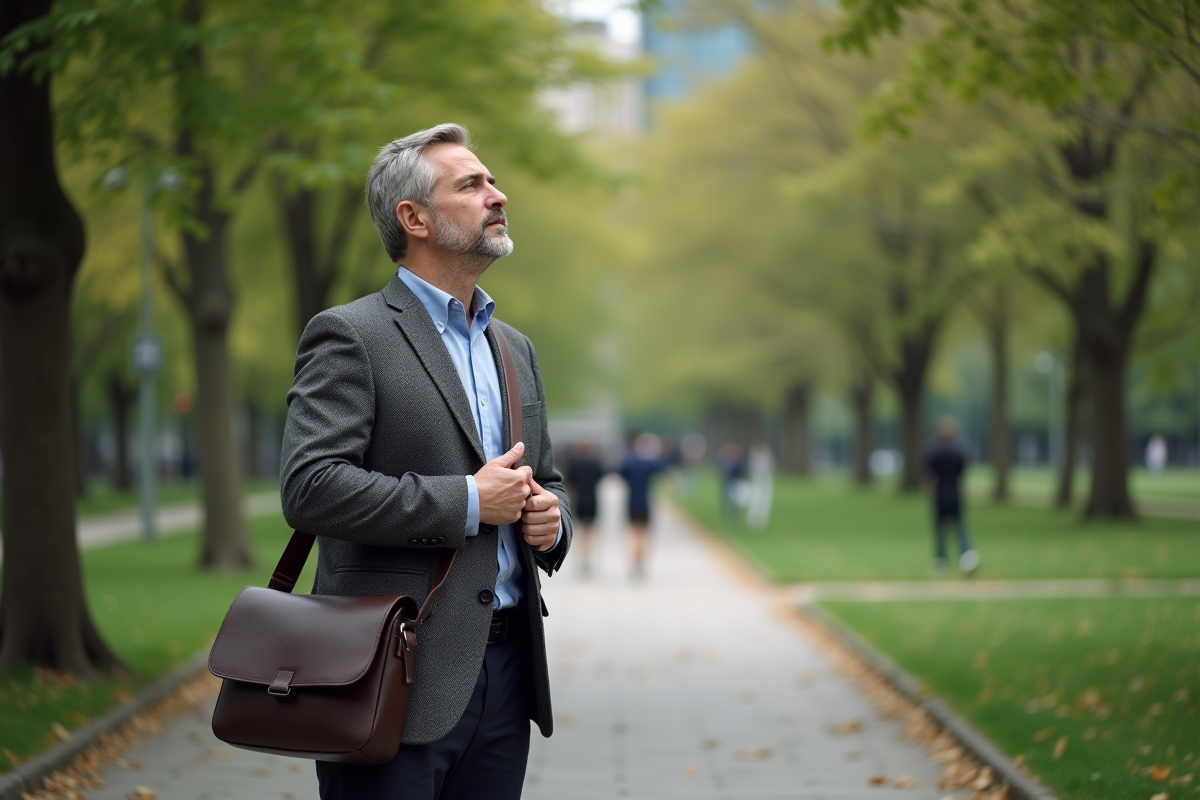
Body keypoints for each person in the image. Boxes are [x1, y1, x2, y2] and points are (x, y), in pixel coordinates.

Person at [280, 124, 571, 800]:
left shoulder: (515, 348)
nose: (497, 196)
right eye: (471, 185)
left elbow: (546, 480)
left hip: (507, 679)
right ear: (413, 217)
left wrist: (551, 522)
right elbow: (310, 486)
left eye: (492, 182)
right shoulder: (350, 335)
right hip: (389, 678)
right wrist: (467, 502)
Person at [925, 417, 980, 577]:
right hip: (953, 494)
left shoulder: (934, 451)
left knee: (945, 529)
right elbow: (962, 476)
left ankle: (942, 562)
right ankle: (962, 557)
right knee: (956, 527)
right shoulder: (958, 451)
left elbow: (929, 478)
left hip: (942, 495)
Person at [618, 432, 666, 579]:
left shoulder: (630, 461)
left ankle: (634, 562)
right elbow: (663, 471)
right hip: (645, 502)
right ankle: (641, 563)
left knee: (633, 533)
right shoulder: (650, 462)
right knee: (644, 535)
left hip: (631, 501)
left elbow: (621, 475)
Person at [564, 440, 604, 576]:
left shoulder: (574, 464)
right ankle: (588, 556)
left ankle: (581, 557)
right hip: (592, 500)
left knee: (580, 531)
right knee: (590, 530)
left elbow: (568, 483)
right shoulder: (595, 464)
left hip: (579, 500)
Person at [745, 440, 775, 529]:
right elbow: (751, 467)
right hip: (756, 479)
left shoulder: (767, 455)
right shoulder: (754, 455)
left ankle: (762, 520)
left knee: (765, 499)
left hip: (766, 479)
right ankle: (753, 519)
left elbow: (771, 467)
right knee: (755, 498)